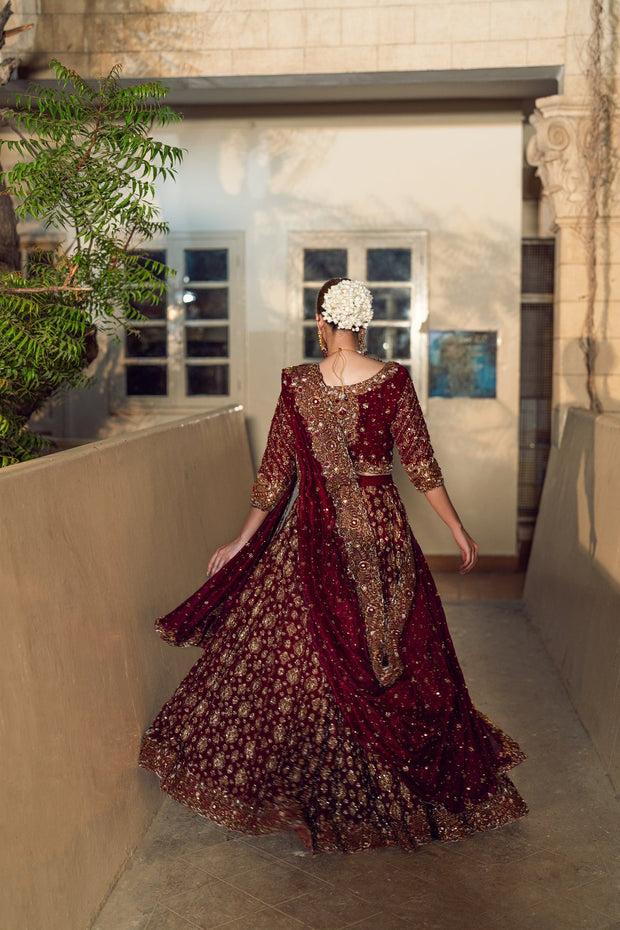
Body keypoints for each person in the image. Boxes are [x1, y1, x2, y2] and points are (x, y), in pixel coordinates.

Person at [139, 277, 527, 853]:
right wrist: (455, 527)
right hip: (383, 534)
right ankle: (390, 796)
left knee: (309, 664)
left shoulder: (298, 385)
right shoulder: (392, 380)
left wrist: (242, 540)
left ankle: (318, 796)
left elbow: (275, 475)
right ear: (362, 325)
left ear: (322, 323)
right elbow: (420, 466)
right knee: (391, 658)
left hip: (316, 538)